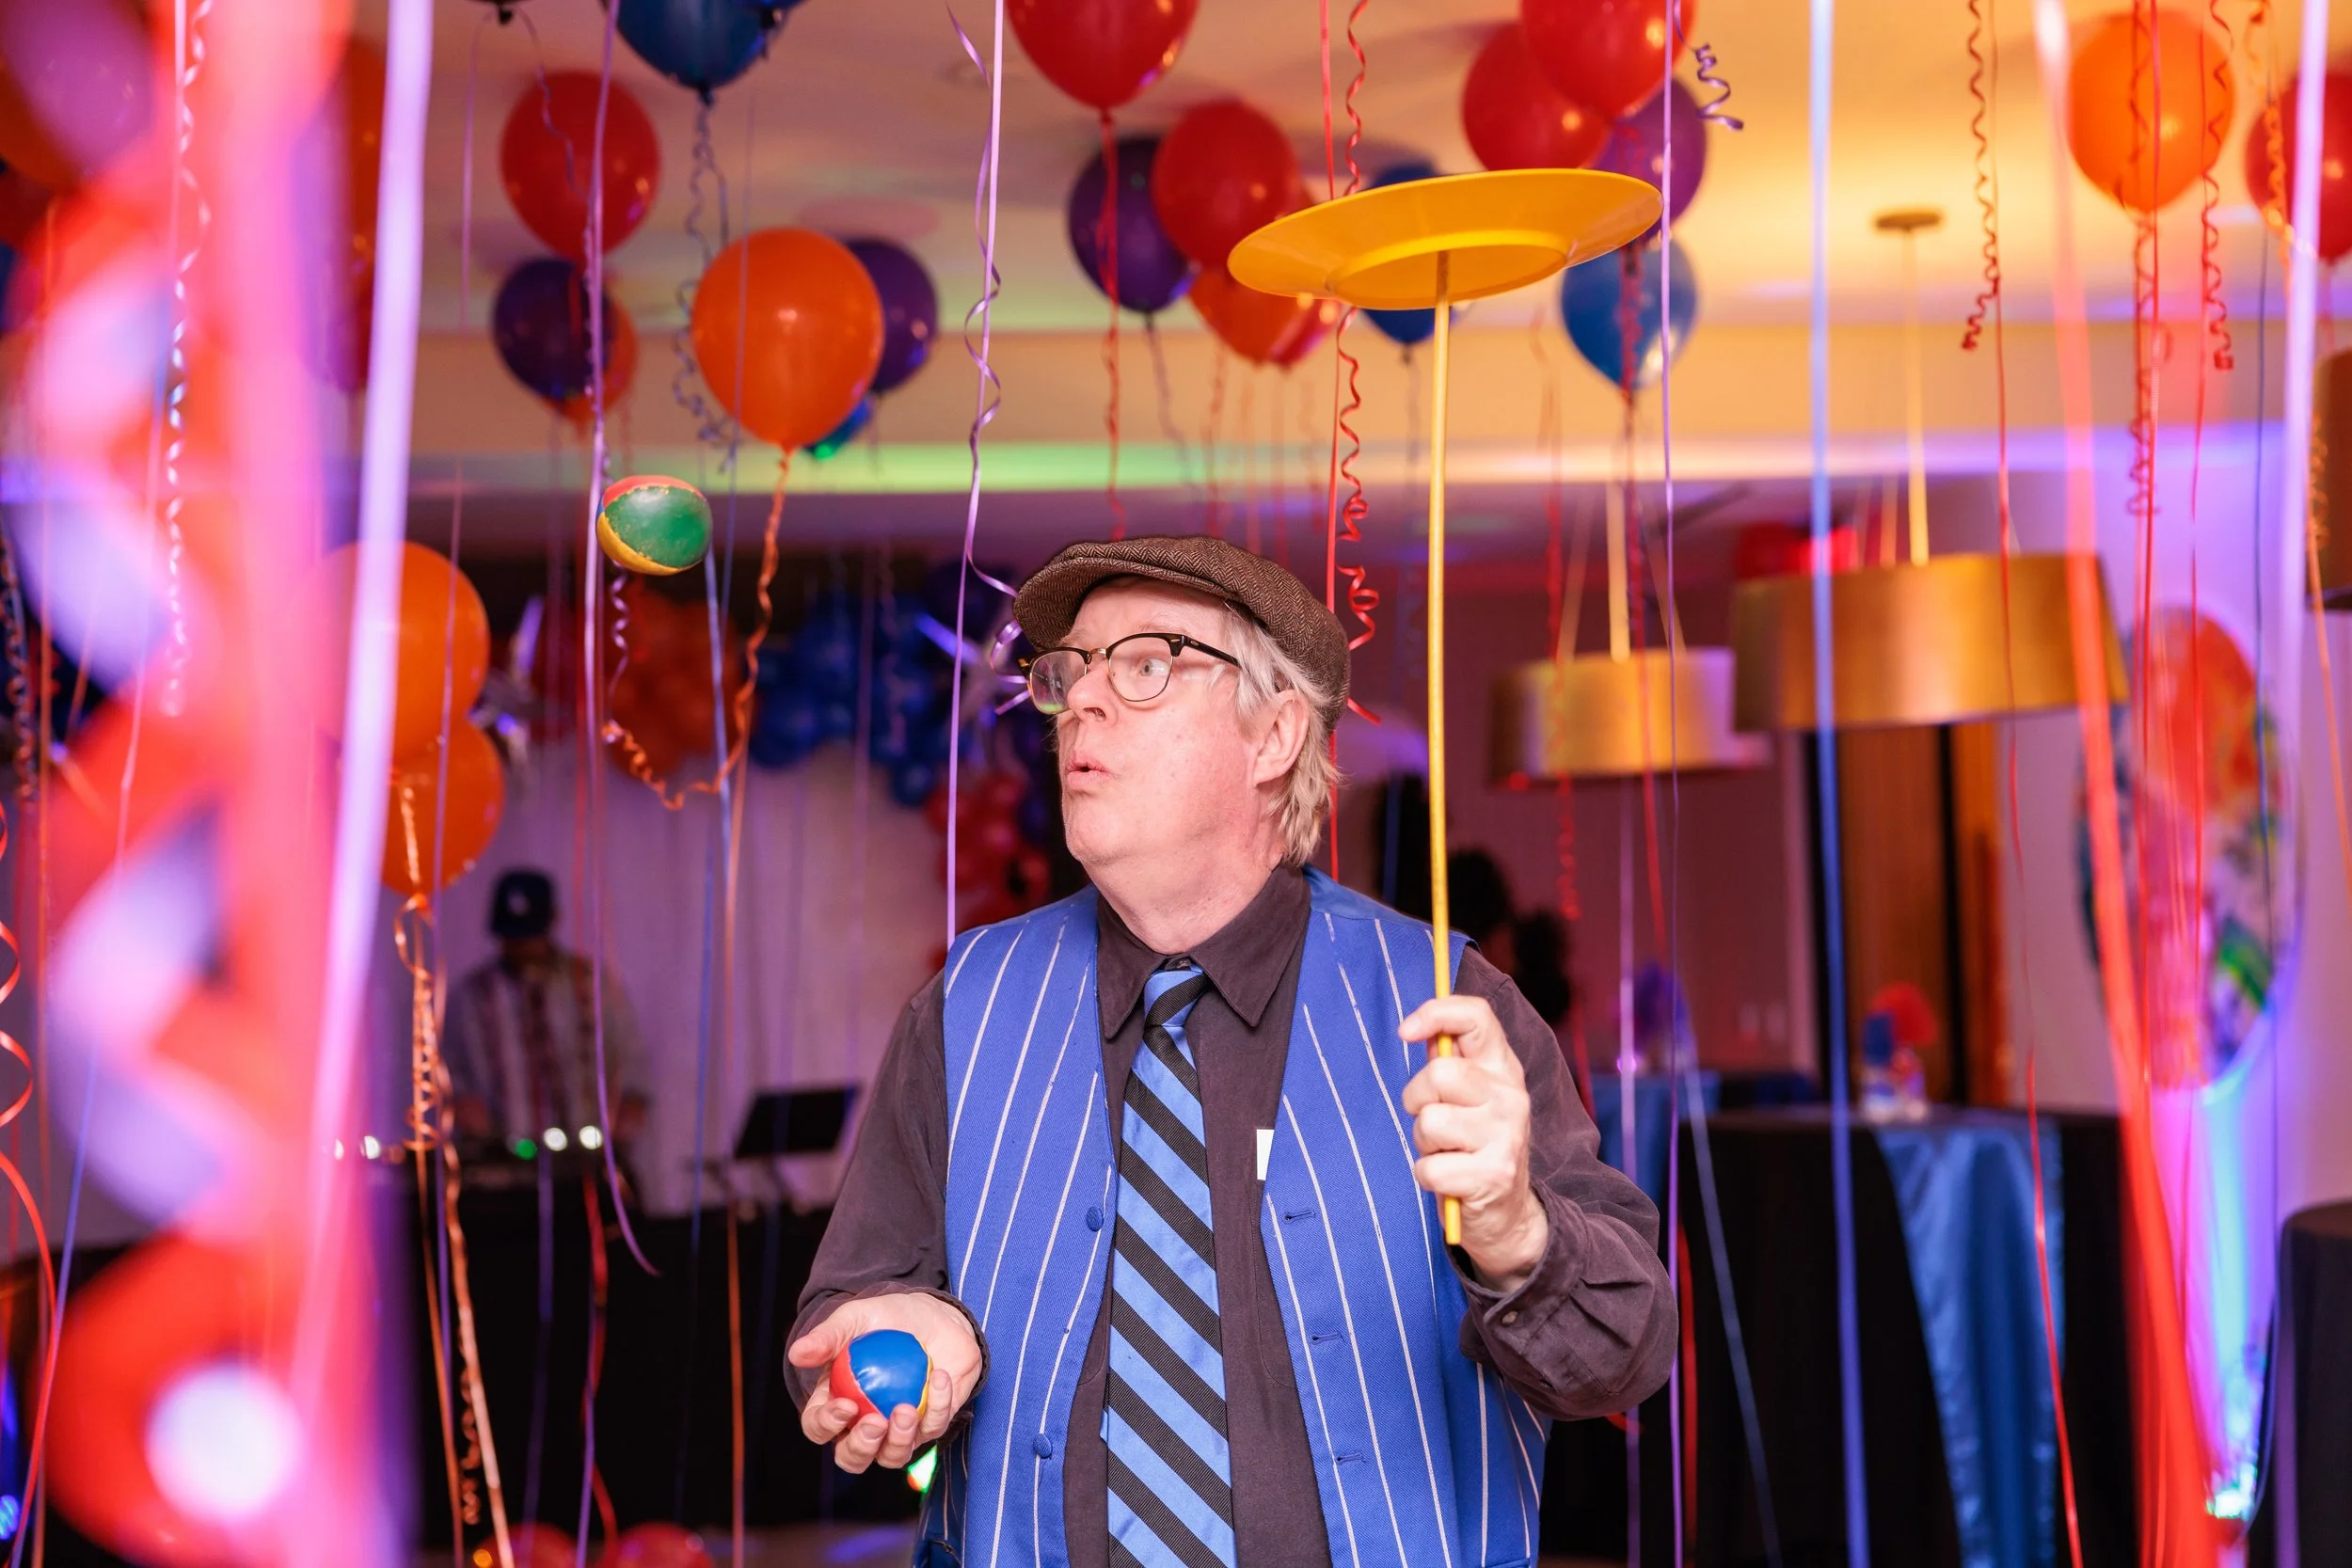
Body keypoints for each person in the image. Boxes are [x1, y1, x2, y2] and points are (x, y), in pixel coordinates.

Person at [787, 536, 1674, 1568]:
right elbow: (837, 1318)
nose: (1082, 702)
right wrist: (885, 1326)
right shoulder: (964, 1005)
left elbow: (1625, 1353)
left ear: (1274, 736)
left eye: (1147, 665)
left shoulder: (1446, 1001)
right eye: (1067, 673)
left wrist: (1520, 1233)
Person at [442, 868, 649, 1158]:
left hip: (588, 1150)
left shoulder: (591, 983)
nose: (522, 948)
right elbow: (448, 1066)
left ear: (552, 921)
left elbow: (630, 1053)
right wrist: (460, 1102)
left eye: (529, 937)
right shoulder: (472, 997)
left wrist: (633, 1100)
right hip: (504, 1152)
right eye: (512, 938)